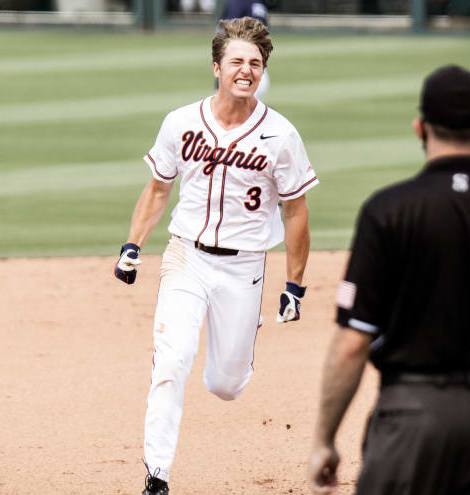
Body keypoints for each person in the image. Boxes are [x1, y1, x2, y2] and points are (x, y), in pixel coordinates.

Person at [308, 65, 470, 495]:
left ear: (420, 128)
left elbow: (353, 341)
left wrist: (324, 440)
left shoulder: (386, 211)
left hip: (407, 423)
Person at [114, 17, 318, 494]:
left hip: (245, 265)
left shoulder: (281, 135)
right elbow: (159, 188)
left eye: (255, 63)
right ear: (216, 67)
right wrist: (133, 245)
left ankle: (242, 339)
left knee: (226, 385)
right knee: (171, 362)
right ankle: (157, 477)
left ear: (263, 71)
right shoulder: (181, 122)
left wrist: (295, 284)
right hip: (186, 255)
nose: (245, 71)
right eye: (236, 62)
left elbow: (295, 212)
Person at [216, 0, 270, 99]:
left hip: (241, 71)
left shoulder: (237, 3)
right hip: (259, 69)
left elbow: (224, 35)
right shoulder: (260, 4)